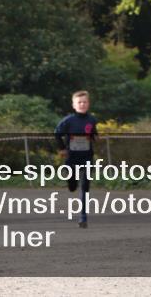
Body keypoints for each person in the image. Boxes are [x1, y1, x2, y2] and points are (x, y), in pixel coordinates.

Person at [54, 90, 98, 228]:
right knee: (73, 186)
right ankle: (71, 182)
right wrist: (62, 148)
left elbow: (93, 133)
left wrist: (94, 137)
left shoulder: (91, 119)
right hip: (72, 158)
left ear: (88, 104)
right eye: (79, 102)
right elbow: (57, 133)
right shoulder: (68, 121)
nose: (82, 104)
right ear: (74, 105)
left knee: (85, 186)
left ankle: (83, 217)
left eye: (85, 102)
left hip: (86, 157)